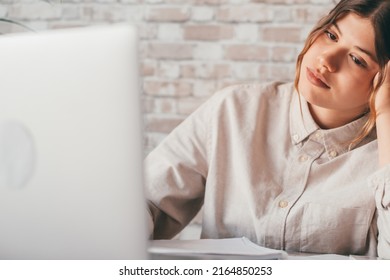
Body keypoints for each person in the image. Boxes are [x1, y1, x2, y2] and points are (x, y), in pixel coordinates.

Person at [144, 0, 390, 259]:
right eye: (331, 35)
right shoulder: (234, 110)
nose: (325, 60)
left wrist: (386, 114)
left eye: (356, 59)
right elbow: (146, 201)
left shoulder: (382, 153)